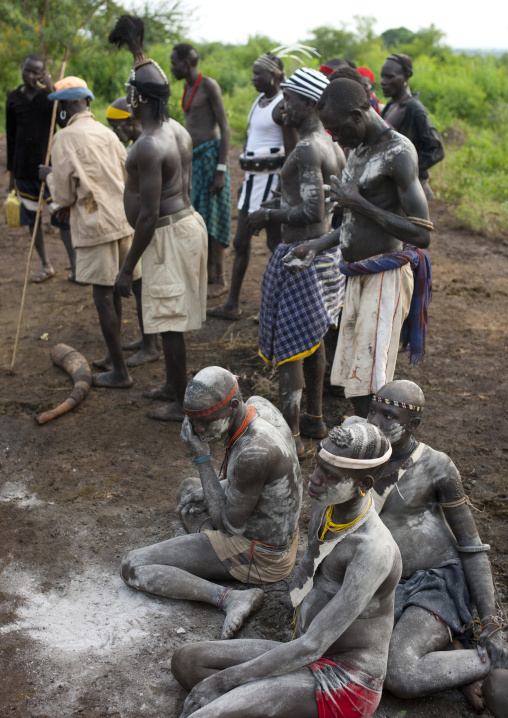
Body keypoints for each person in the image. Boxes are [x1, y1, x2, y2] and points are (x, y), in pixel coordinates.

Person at [171, 421, 402, 718]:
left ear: (364, 484)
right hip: (301, 651)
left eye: (329, 475)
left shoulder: (373, 550)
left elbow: (314, 645)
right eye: (317, 466)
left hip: (344, 678)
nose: (314, 479)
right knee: (187, 662)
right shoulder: (327, 506)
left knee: (205, 712)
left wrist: (225, 681)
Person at [284, 78, 432, 419]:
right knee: (354, 374)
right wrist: (316, 246)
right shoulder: (360, 150)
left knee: (370, 380)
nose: (335, 138)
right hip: (357, 275)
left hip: (385, 277)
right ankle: (370, 447)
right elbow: (354, 221)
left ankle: (380, 456)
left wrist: (360, 204)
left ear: (356, 116)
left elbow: (422, 234)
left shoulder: (399, 153)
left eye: (337, 130)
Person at [120, 366, 302, 639]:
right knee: (189, 489)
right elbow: (260, 485)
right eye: (191, 420)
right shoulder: (258, 407)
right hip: (270, 530)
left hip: (261, 554)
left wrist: (202, 459)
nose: (198, 429)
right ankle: (203, 549)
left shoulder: (255, 450)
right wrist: (215, 488)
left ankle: (230, 598)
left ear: (232, 406)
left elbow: (229, 524)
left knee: (133, 565)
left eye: (205, 420)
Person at [365, 380, 508, 710]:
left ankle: (485, 659)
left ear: (413, 425)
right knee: (339, 650)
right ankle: (455, 658)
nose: (375, 422)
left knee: (401, 673)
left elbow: (471, 544)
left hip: (432, 584)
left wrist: (490, 623)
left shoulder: (436, 466)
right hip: (377, 582)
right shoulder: (360, 453)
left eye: (388, 416)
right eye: (372, 411)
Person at [109, 15, 208, 420]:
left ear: (142, 99)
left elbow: (148, 215)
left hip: (167, 231)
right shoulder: (176, 129)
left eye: (130, 91)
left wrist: (126, 269)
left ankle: (181, 401)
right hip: (181, 226)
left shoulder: (149, 145)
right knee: (171, 315)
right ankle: (172, 384)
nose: (126, 96)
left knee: (170, 320)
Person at [247, 68, 346, 455]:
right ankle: (315, 419)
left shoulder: (307, 148)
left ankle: (290, 437)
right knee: (313, 339)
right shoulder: (331, 145)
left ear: (307, 103)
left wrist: (266, 216)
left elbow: (310, 210)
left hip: (302, 255)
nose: (283, 105)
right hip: (321, 254)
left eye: (288, 99)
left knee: (291, 348)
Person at [39, 75, 157, 386]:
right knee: (115, 287)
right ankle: (114, 355)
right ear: (87, 102)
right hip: (123, 220)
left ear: (65, 107)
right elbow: (127, 173)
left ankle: (120, 372)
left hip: (94, 224)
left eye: (59, 107)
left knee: (103, 295)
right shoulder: (107, 134)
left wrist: (49, 176)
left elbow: (63, 195)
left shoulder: (63, 138)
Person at [207, 51, 298, 321]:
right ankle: (233, 304)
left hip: (272, 183)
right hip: (252, 181)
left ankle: (278, 305)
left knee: (274, 244)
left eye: (258, 73)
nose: (253, 78)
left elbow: (292, 151)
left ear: (273, 75)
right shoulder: (259, 101)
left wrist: (283, 190)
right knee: (240, 242)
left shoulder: (282, 105)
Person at [6, 54, 74, 282]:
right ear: (22, 70)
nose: (31, 76)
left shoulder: (50, 98)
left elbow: (65, 124)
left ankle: (76, 268)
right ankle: (46, 265)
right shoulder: (13, 98)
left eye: (37, 72)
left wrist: (53, 90)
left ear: (43, 73)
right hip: (24, 170)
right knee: (32, 220)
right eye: (28, 71)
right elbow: (12, 137)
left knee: (62, 217)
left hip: (50, 169)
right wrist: (11, 175)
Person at [171, 43, 231, 298]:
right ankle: (205, 274)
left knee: (214, 218)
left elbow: (225, 128)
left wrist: (220, 169)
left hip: (211, 159)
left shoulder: (209, 85)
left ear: (186, 63)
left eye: (174, 62)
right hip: (194, 160)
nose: (172, 67)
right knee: (199, 217)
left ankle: (220, 278)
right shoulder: (187, 87)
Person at [380, 54, 444, 200]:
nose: (383, 82)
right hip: (396, 187)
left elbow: (436, 149)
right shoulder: (390, 106)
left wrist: (406, 170)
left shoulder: (414, 109)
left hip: (412, 189)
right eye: (382, 76)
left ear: (406, 77)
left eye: (390, 77)